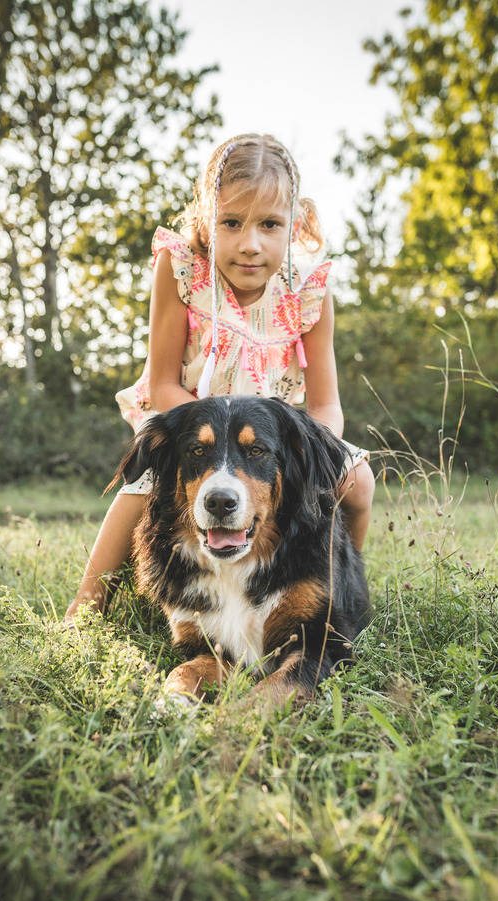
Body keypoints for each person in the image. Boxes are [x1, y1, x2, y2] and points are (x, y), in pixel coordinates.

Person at [65, 133, 375, 621]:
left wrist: (316, 452)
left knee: (357, 483)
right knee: (143, 485)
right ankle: (88, 604)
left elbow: (326, 405)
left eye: (270, 224)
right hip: (189, 422)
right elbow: (162, 381)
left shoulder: (307, 291)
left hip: (273, 438)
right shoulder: (181, 270)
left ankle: (332, 584)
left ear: (293, 226)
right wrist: (191, 427)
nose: (250, 244)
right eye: (231, 222)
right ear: (207, 223)